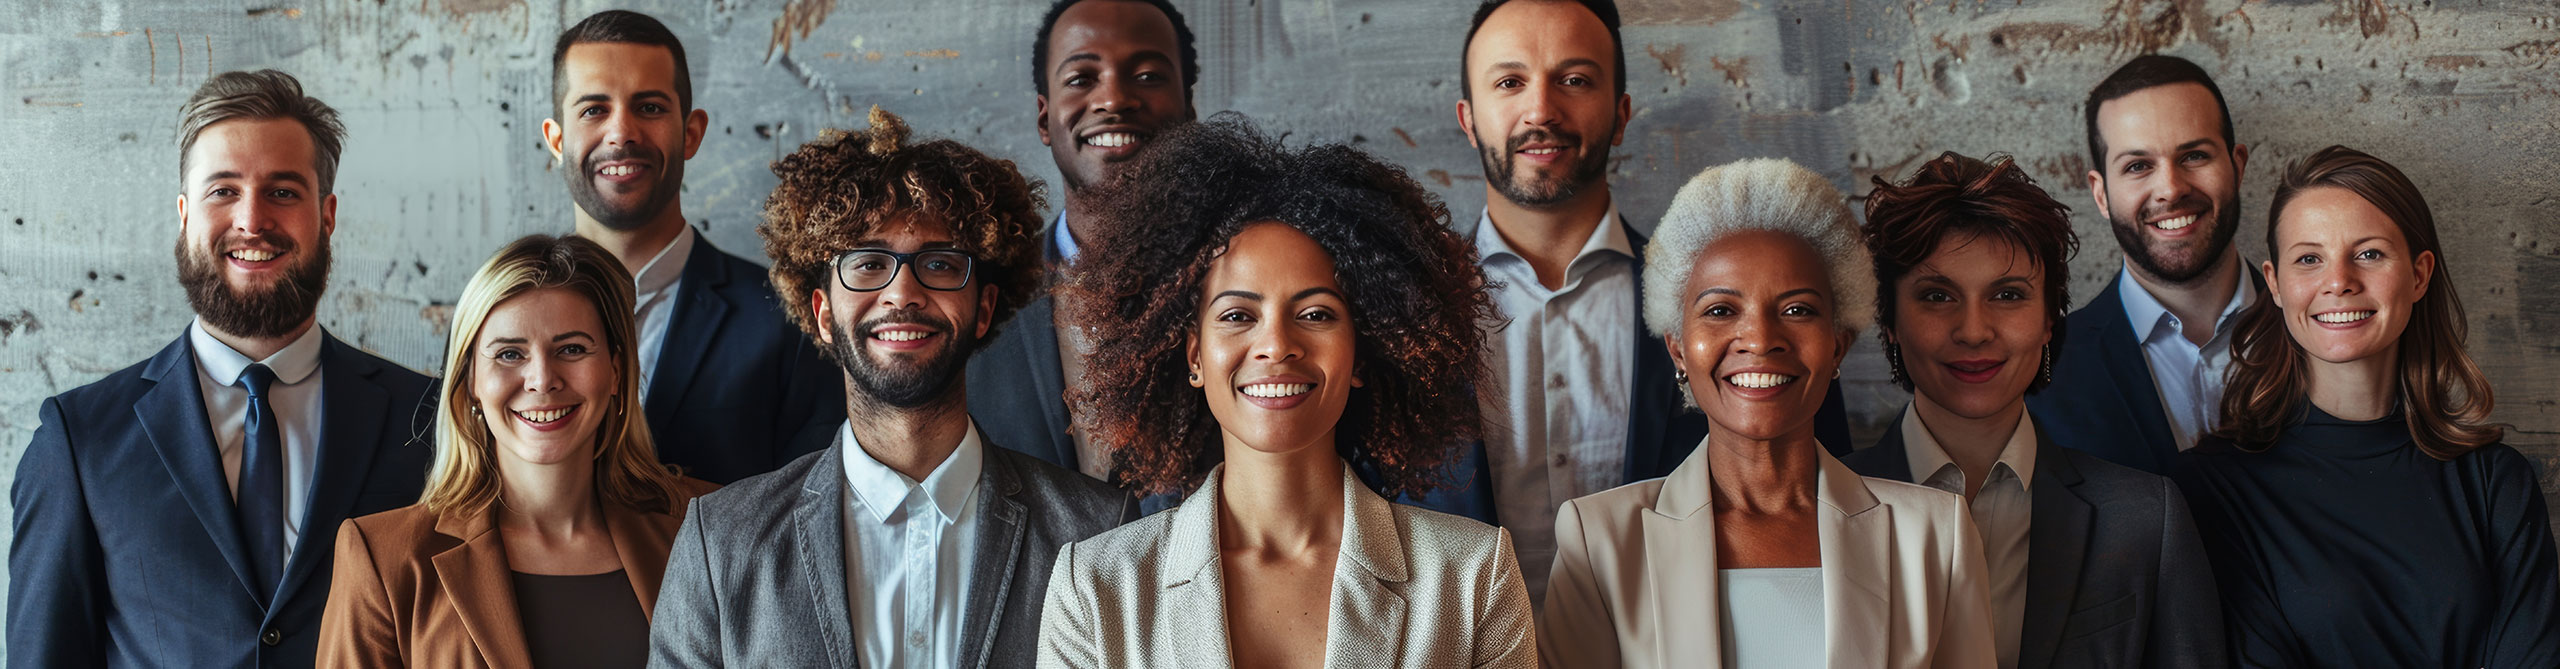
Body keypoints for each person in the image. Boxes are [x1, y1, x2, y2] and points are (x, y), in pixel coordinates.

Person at [1036, 116, 1535, 668]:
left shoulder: (1473, 577)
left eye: (1316, 313)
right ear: (1195, 355)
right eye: (1237, 315)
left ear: (1362, 353)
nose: (1275, 344)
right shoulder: (1095, 591)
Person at [649, 107, 1133, 668]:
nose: (902, 291)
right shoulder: (721, 543)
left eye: (941, 263)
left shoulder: (1098, 534)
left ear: (984, 310)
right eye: (869, 263)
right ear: (824, 313)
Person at [8, 69, 436, 668]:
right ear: (184, 215)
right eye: (223, 191)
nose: (252, 219)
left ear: (328, 214)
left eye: (283, 191)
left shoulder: (429, 420)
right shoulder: (79, 439)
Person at [1428, 0, 1852, 601]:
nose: (1541, 109)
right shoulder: (1400, 322)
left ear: (1622, 114)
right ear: (1469, 119)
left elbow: (1827, 508)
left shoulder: (1730, 315)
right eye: (1510, 82)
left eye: (1574, 80)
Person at [1539, 158, 1995, 669]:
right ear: (1678, 350)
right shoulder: (1599, 540)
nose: (1759, 339)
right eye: (1720, 310)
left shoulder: (1935, 534)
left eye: (1797, 310)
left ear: (1837, 345)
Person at [1840, 152, 2224, 669]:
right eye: (1936, 295)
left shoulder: (2146, 518)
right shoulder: (1817, 505)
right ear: (1890, 321)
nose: (1974, 331)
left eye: (2007, 294)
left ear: (2049, 320)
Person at [2179, 145, 2560, 666]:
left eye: (2369, 254)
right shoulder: (2217, 489)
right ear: (2275, 284)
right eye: (2309, 259)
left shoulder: (2495, 485)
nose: (2339, 281)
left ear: (2419, 275)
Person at [318, 235, 718, 667]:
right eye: (510, 353)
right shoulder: (383, 560)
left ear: (616, 372)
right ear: (470, 378)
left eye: (572, 349)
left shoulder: (713, 529)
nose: (542, 379)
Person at [543, 10, 842, 484]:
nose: (621, 133)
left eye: (650, 107)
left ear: (691, 133)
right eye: (594, 109)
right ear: (557, 139)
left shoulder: (788, 317)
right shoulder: (500, 319)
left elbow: (810, 513)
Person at [969, 0, 1202, 480]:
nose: (1114, 99)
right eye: (1081, 79)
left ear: (1189, 109)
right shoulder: (977, 298)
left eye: (1148, 76)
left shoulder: (1248, 280)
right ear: (1044, 118)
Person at [2028, 55, 2255, 475]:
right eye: (2137, 166)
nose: (2169, 188)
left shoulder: (2324, 327)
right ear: (2101, 194)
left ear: (2237, 166)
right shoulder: (2040, 373)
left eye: (2194, 156)